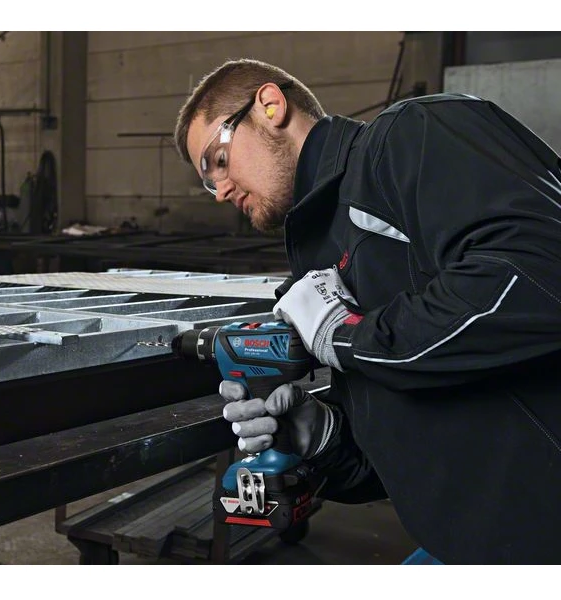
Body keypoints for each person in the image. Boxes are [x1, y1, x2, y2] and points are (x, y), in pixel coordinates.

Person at [174, 58, 561, 564]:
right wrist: (325, 437)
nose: (221, 190)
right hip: (466, 543)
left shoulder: (411, 136)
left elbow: (539, 277)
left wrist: (344, 336)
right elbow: (397, 455)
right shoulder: (320, 255)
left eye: (218, 161)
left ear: (270, 106)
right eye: (209, 181)